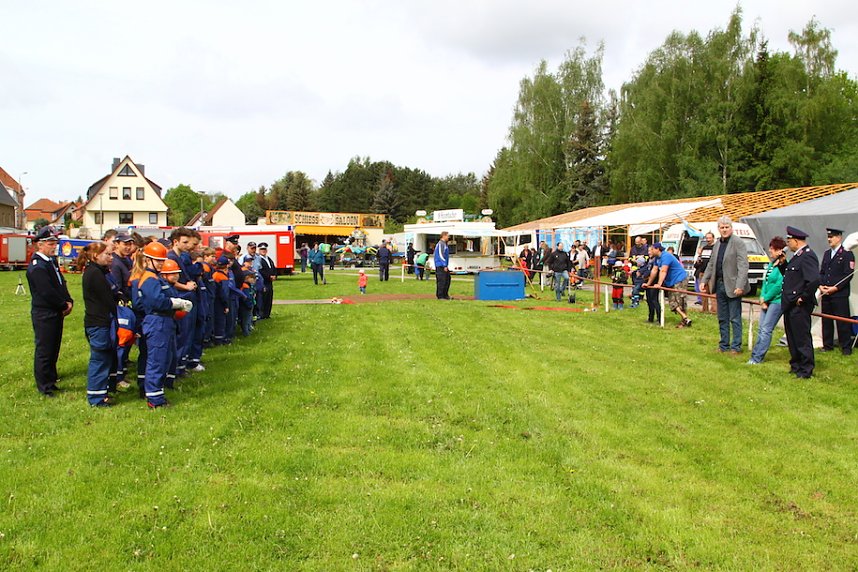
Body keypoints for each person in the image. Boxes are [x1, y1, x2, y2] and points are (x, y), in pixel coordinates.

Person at [133, 242, 191, 408]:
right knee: (157, 360)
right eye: (157, 261)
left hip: (164, 321)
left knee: (163, 358)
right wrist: (175, 303)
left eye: (161, 261)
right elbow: (157, 301)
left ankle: (156, 394)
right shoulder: (150, 279)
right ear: (147, 260)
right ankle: (155, 399)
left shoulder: (156, 277)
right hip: (157, 321)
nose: (160, 264)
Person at [26, 226, 74, 398]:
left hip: (55, 312)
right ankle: (44, 385)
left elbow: (61, 284)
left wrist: (69, 300)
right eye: (50, 243)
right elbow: (46, 292)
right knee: (45, 350)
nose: (54, 246)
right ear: (40, 245)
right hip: (45, 313)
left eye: (55, 243)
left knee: (54, 348)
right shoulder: (38, 266)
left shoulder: (50, 262)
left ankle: (51, 380)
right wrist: (63, 305)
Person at [702, 216, 749, 353]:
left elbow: (743, 265)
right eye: (722, 227)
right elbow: (711, 263)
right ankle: (724, 345)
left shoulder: (738, 242)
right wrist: (705, 280)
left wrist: (740, 285)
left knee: (735, 318)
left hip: (734, 286)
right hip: (719, 284)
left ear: (731, 228)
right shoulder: (717, 243)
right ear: (718, 229)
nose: (724, 230)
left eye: (726, 227)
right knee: (722, 318)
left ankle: (736, 347)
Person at [78, 242, 117, 407]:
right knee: (99, 358)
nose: (111, 257)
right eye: (107, 254)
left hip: (101, 321)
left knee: (104, 357)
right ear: (95, 256)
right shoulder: (94, 274)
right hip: (98, 322)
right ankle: (96, 398)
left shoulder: (99, 272)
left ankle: (102, 393)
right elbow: (108, 299)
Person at [780, 226, 820, 378]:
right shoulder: (797, 256)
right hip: (790, 303)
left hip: (799, 305)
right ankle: (796, 365)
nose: (787, 244)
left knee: (802, 338)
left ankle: (805, 369)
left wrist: (803, 297)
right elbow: (793, 278)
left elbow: (814, 280)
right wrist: (784, 264)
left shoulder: (808, 256)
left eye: (789, 241)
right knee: (792, 337)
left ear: (796, 241)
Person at [748, 237, 787, 365]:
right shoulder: (772, 264)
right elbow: (765, 281)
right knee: (761, 329)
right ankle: (754, 354)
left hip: (776, 301)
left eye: (773, 249)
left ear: (779, 250)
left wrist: (767, 297)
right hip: (766, 300)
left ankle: (757, 357)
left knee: (766, 329)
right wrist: (762, 296)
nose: (770, 251)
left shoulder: (783, 266)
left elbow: (779, 285)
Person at [818, 227, 854, 355]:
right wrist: (821, 285)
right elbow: (822, 272)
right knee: (826, 320)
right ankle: (827, 345)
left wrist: (836, 288)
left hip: (839, 294)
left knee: (842, 321)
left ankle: (845, 347)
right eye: (828, 237)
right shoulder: (827, 253)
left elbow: (848, 274)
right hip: (826, 292)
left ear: (839, 238)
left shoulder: (847, 254)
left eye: (832, 237)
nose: (829, 239)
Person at [646, 242, 692, 328]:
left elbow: (663, 271)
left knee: (680, 300)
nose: (650, 251)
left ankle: (684, 321)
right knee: (672, 302)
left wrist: (659, 284)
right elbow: (654, 271)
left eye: (652, 249)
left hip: (680, 279)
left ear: (657, 249)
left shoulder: (666, 256)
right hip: (671, 281)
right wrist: (648, 284)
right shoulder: (657, 258)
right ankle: (685, 318)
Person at [694, 232, 716, 312]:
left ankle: (714, 310)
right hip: (702, 272)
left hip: (712, 273)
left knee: (712, 292)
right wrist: (699, 257)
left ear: (713, 238)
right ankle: (704, 309)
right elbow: (698, 262)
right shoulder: (704, 248)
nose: (708, 240)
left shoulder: (715, 248)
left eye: (710, 238)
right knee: (703, 292)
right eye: (707, 238)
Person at [257, 242, 275, 319]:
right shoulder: (259, 259)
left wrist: (274, 275)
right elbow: (261, 271)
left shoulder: (269, 259)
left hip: (270, 282)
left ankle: (267, 314)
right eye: (262, 249)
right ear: (259, 250)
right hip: (264, 281)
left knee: (269, 298)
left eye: (264, 249)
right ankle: (262, 314)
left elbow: (273, 268)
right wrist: (269, 276)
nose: (263, 251)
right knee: (263, 298)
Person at [434, 232, 452, 300]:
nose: (448, 237)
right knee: (442, 281)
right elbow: (441, 255)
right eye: (447, 236)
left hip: (444, 265)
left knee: (447, 280)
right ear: (443, 236)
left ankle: (445, 295)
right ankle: (440, 296)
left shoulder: (444, 244)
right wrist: (444, 265)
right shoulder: (441, 244)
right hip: (440, 265)